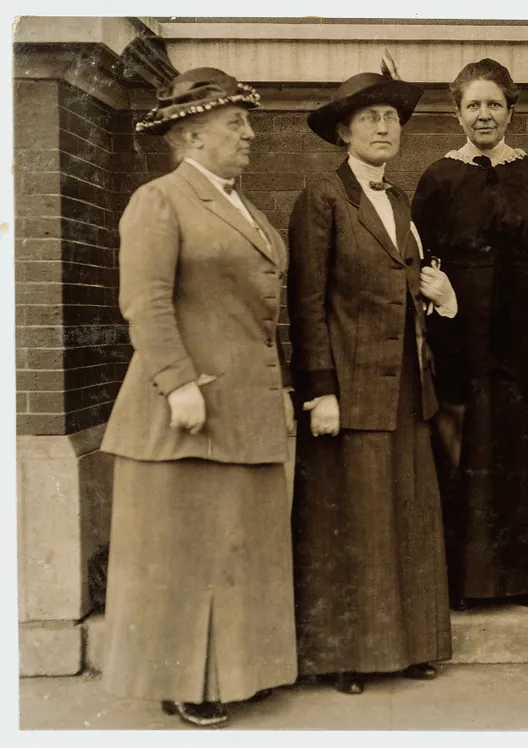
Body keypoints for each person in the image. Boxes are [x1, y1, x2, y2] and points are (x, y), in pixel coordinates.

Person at [99, 68, 297, 727]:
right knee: (186, 554)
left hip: (245, 407)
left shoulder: (245, 206)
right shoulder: (161, 200)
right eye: (235, 123)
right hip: (190, 411)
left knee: (237, 549)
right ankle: (186, 682)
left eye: (248, 121)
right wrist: (177, 382)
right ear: (191, 136)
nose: (250, 135)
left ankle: (237, 673)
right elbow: (145, 300)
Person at [286, 54, 459, 696]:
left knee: (409, 513)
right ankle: (347, 656)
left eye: (392, 117)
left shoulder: (402, 199)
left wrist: (437, 294)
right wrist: (320, 390)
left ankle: (412, 645)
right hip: (350, 391)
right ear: (344, 132)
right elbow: (306, 303)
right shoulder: (322, 199)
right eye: (371, 118)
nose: (385, 127)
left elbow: (401, 281)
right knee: (354, 519)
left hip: (407, 388)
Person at [412, 59, 528, 611]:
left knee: (523, 447)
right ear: (458, 112)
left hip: (524, 336)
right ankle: (465, 580)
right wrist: (438, 309)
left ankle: (525, 576)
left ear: (510, 111)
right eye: (474, 105)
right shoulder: (439, 178)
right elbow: (420, 258)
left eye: (494, 105)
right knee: (463, 449)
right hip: (460, 332)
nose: (484, 115)